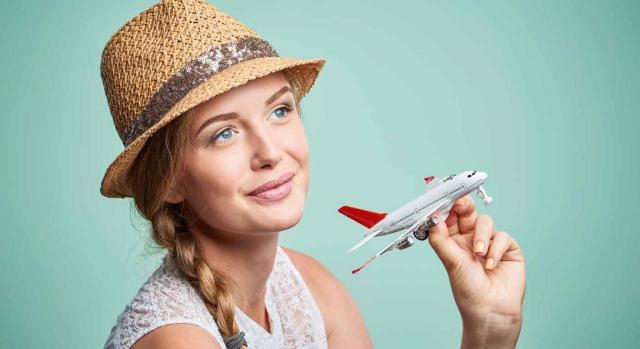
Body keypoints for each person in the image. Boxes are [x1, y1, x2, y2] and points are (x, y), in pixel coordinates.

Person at [100, 1, 526, 348]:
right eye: (223, 133)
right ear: (169, 181)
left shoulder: (309, 288)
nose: (270, 152)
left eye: (279, 110)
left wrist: (489, 329)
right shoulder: (179, 339)